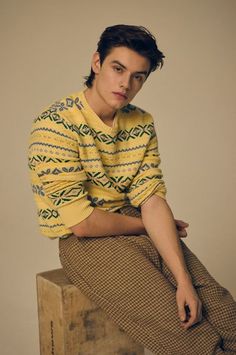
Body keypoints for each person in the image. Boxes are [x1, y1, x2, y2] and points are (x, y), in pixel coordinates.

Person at [28, 24, 236, 354]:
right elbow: (82, 222)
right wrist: (148, 227)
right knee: (190, 335)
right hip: (84, 241)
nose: (127, 83)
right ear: (97, 62)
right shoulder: (55, 124)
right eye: (118, 68)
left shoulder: (141, 122)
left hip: (132, 221)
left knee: (223, 312)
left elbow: (150, 197)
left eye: (139, 76)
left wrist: (183, 279)